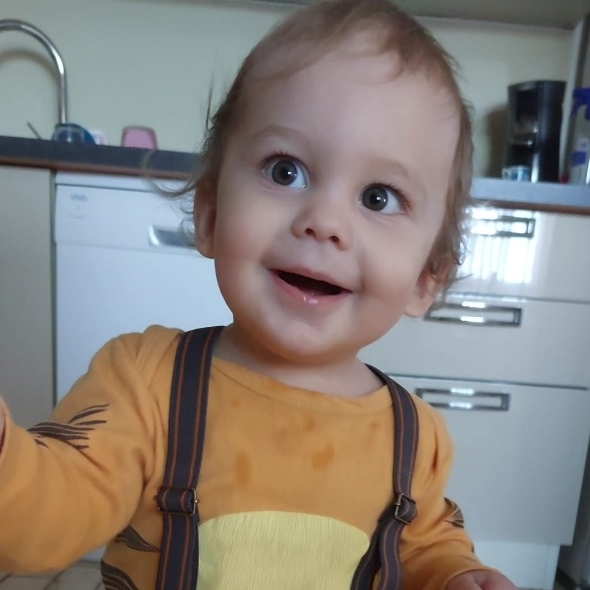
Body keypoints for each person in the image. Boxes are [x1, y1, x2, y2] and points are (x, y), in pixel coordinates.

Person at [0, 1, 518, 589]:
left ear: (427, 278)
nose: (324, 221)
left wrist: (455, 574)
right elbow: (43, 517)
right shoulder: (145, 384)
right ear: (210, 214)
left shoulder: (415, 438)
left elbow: (424, 547)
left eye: (378, 197)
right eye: (285, 171)